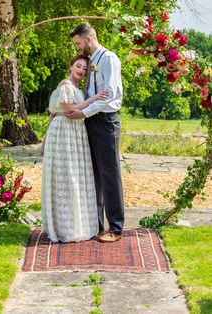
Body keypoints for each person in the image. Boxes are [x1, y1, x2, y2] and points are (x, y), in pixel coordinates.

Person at [41, 54, 108, 243]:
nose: (81, 70)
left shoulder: (77, 88)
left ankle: (77, 223)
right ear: (71, 65)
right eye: (78, 66)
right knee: (66, 175)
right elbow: (70, 109)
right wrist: (94, 99)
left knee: (77, 175)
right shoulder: (66, 85)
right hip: (63, 131)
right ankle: (64, 227)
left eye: (85, 69)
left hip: (75, 132)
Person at [68, 22, 125, 243]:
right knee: (93, 175)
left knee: (109, 174)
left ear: (89, 39)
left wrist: (84, 113)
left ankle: (116, 228)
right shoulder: (92, 60)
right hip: (91, 120)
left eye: (78, 43)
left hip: (105, 121)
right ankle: (97, 225)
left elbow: (110, 94)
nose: (78, 48)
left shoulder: (109, 59)